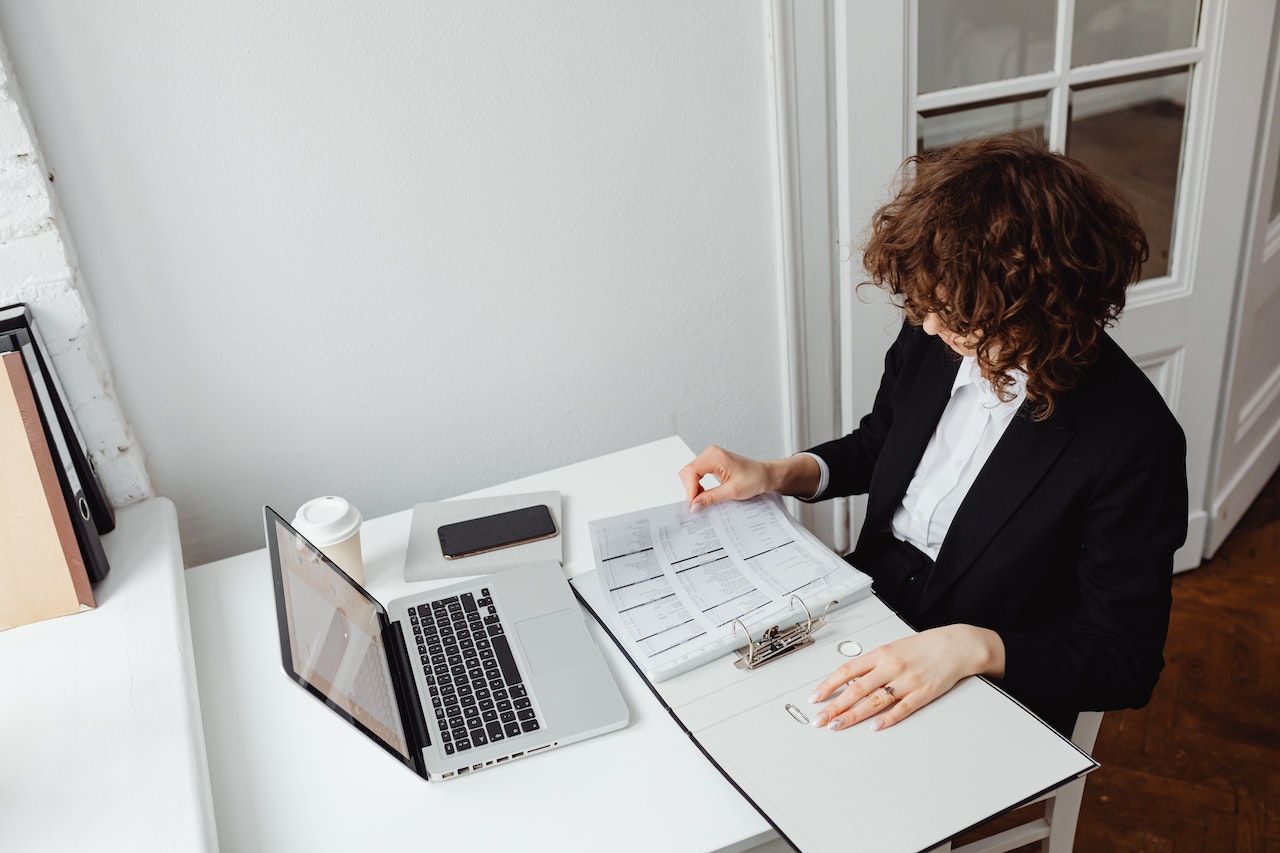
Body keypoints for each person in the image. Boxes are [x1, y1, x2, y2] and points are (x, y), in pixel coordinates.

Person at [679, 133, 1188, 737]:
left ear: (1042, 308)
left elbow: (1122, 662)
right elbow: (881, 444)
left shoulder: (1134, 441)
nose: (927, 322)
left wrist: (974, 649)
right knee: (717, 710)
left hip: (988, 668)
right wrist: (779, 473)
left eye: (958, 315)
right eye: (926, 304)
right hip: (869, 599)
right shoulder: (941, 324)